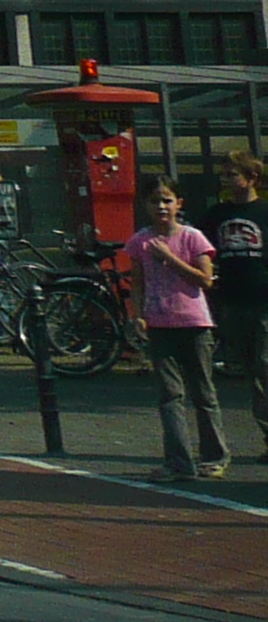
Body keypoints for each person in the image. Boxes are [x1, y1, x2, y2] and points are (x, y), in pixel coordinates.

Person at [131, 177, 228, 481]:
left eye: (167, 200)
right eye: (155, 201)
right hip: (160, 324)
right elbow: (137, 282)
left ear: (178, 204)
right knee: (170, 395)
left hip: (194, 323)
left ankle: (214, 456)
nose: (161, 206)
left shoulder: (193, 238)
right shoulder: (140, 241)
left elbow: (205, 279)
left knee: (203, 392)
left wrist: (170, 258)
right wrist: (138, 314)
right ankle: (178, 461)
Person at [202, 154, 268, 457]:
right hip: (231, 301)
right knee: (252, 371)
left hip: (263, 301)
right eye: (224, 175)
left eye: (232, 175)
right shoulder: (217, 214)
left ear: (251, 178)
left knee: (266, 368)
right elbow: (200, 248)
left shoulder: (264, 212)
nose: (226, 180)